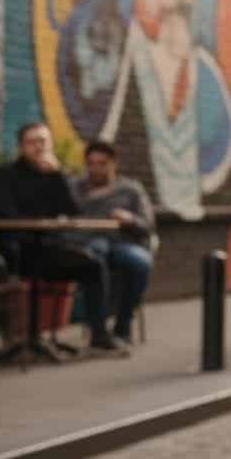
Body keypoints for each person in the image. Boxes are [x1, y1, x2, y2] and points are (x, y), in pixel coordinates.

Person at [0, 123, 118, 354]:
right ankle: (28, 339)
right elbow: (5, 214)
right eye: (32, 142)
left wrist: (57, 175)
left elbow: (71, 210)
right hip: (12, 251)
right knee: (36, 263)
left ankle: (99, 334)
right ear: (21, 147)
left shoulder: (52, 176)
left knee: (93, 266)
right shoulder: (6, 174)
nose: (39, 147)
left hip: (44, 250)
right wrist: (38, 225)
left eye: (43, 142)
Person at [71, 140, 157, 346]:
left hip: (122, 243)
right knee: (92, 259)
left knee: (140, 263)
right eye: (91, 164)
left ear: (113, 164)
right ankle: (97, 328)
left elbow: (148, 224)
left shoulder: (130, 189)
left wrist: (130, 219)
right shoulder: (75, 188)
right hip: (88, 243)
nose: (96, 169)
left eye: (102, 163)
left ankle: (123, 324)